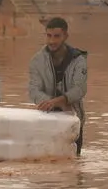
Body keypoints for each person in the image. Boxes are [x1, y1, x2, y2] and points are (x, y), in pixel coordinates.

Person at [27, 16, 88, 152]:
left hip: (73, 118)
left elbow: (80, 89)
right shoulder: (37, 61)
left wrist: (62, 100)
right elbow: (33, 90)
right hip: (47, 118)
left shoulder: (78, 60)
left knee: (74, 164)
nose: (51, 41)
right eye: (49, 36)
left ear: (65, 36)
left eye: (56, 36)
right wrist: (52, 103)